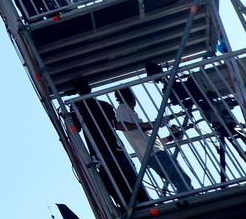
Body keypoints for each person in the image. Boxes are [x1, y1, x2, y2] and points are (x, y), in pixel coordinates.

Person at [70, 78, 148, 209]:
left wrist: (70, 114)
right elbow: (115, 125)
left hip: (100, 150)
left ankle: (127, 206)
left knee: (112, 180)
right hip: (115, 147)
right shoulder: (104, 105)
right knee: (130, 177)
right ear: (90, 90)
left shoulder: (79, 108)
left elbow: (75, 129)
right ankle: (144, 203)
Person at [114, 87, 194, 195]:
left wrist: (170, 138)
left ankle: (188, 197)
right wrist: (150, 124)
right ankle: (187, 199)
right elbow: (120, 126)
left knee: (180, 179)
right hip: (155, 154)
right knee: (181, 178)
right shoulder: (123, 108)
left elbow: (150, 140)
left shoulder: (131, 113)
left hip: (154, 154)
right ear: (132, 96)